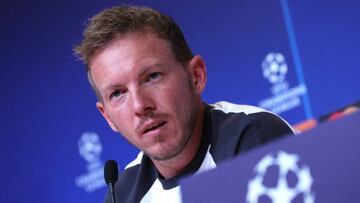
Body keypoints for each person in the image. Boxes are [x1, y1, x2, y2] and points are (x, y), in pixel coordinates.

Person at [74, 5, 295, 203]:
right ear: (108, 117)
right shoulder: (124, 194)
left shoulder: (253, 139)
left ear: (196, 76)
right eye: (118, 93)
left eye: (152, 77)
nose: (140, 105)